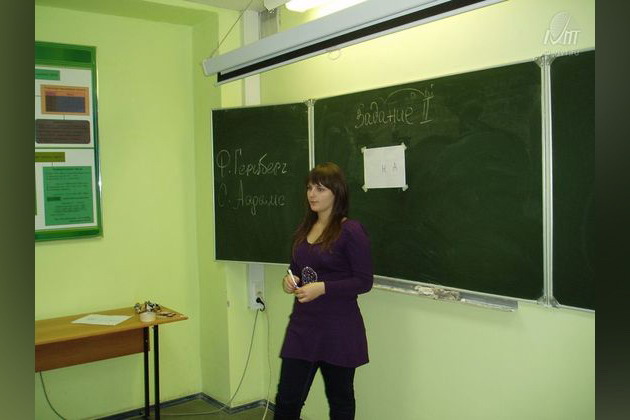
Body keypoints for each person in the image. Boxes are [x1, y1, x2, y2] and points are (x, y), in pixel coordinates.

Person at [274, 162, 373, 420]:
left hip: (338, 329)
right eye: (309, 188)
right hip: (303, 327)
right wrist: (289, 281)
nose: (312, 194)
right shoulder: (304, 229)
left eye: (320, 189)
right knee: (287, 400)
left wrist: (323, 288)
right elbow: (296, 269)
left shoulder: (351, 230)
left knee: (340, 400)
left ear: (336, 192)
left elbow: (364, 281)